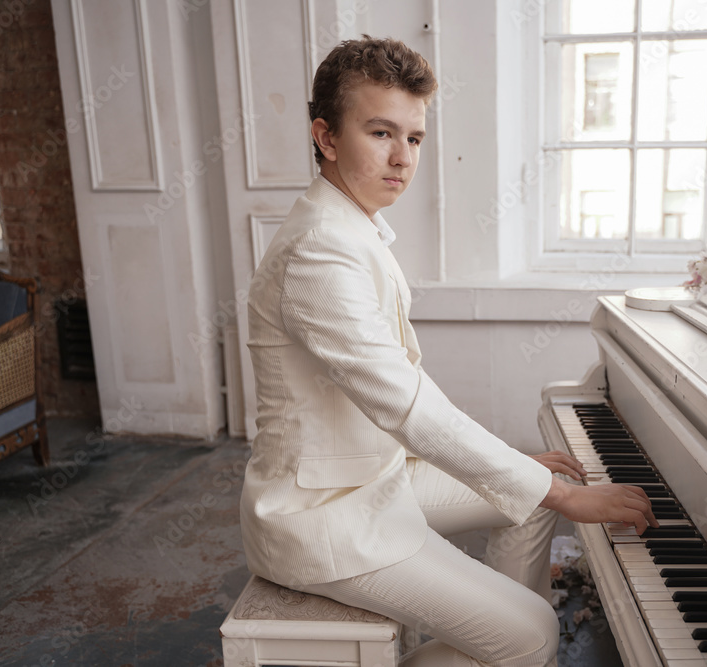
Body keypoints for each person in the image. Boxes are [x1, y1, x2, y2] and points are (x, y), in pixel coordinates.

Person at [240, 36, 657, 667]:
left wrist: (528, 476)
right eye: (380, 132)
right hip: (325, 516)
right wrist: (562, 494)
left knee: (528, 507)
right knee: (536, 629)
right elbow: (408, 406)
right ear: (325, 137)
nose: (402, 158)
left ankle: (495, 643)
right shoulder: (320, 250)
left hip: (377, 478)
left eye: (413, 138)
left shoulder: (354, 226)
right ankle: (513, 645)